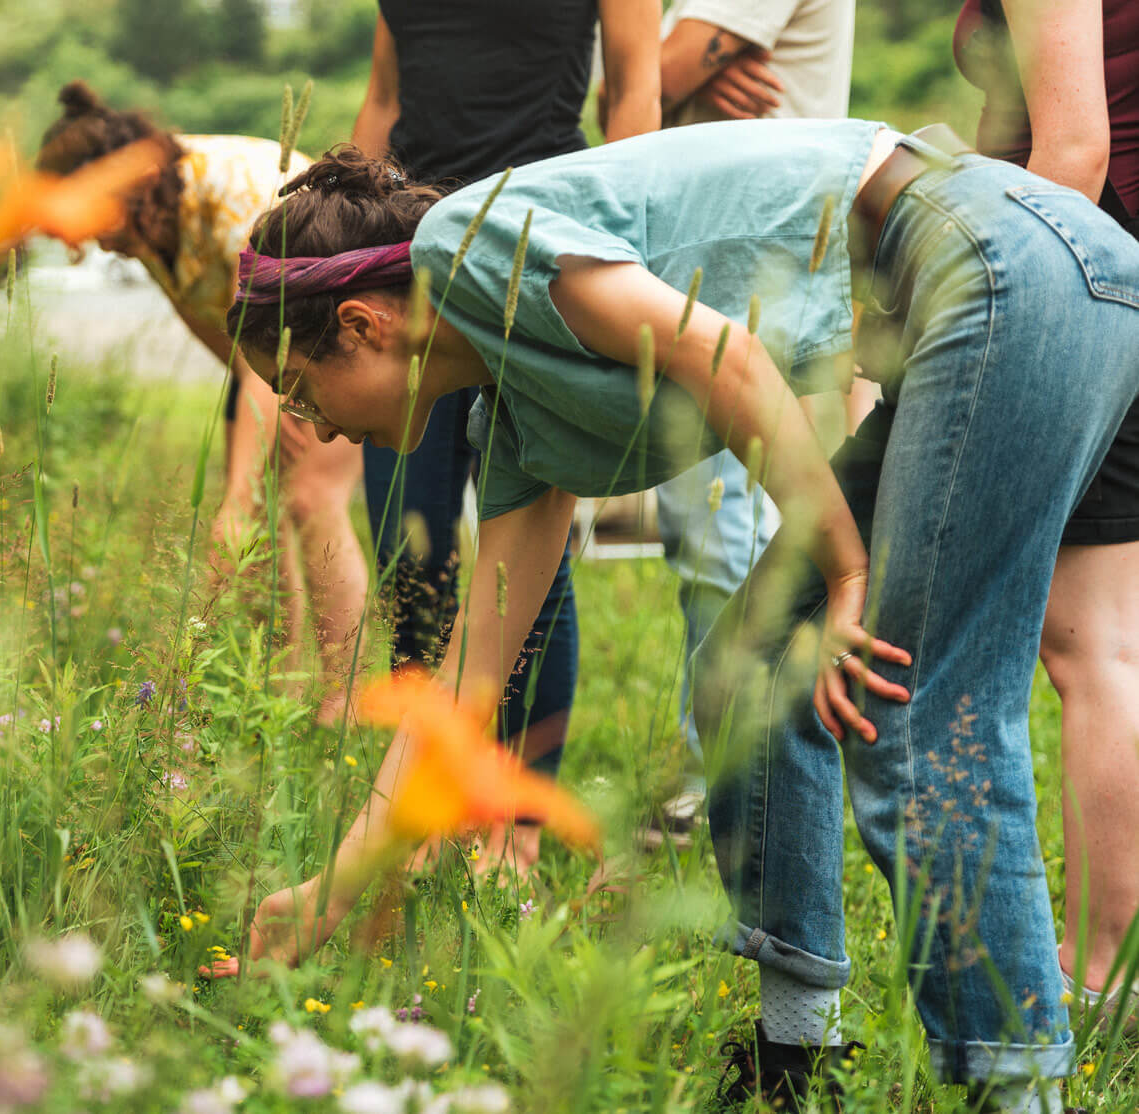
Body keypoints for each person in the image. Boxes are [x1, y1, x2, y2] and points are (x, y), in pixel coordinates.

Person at [227, 123, 1139, 1111]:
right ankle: (796, 1051)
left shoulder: (466, 239)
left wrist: (843, 569)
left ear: (359, 325)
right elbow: (462, 689)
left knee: (911, 704)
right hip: (1035, 273)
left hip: (1007, 262)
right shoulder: (521, 418)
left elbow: (724, 353)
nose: (308, 425)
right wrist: (330, 891)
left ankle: (1020, 1092)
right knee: (745, 668)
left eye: (297, 389)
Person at [348, 0, 660, 874]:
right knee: (406, 531)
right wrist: (336, 247)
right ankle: (423, 792)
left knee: (527, 538)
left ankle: (517, 818)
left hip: (536, 244)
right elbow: (382, 97)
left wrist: (616, 247)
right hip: (407, 255)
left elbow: (634, 89)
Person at [37, 82, 369, 719]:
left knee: (306, 499)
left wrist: (241, 492)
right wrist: (263, 435)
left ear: (141, 180)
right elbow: (219, 334)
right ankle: (274, 694)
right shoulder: (147, 221)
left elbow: (276, 334)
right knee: (252, 528)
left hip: (335, 331)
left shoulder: (234, 195)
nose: (91, 240)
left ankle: (341, 705)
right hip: (270, 358)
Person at [954, 0, 1139, 1028]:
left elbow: (1071, 145)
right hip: (1115, 267)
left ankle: (1101, 968)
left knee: (1090, 646)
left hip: (1087, 270)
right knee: (1108, 641)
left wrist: (982, 306)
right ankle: (1111, 962)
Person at [641, 0, 862, 847]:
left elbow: (648, 77)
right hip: (764, 250)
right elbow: (646, 78)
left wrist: (671, 78)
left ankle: (735, 782)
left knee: (721, 532)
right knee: (727, 530)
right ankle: (744, 770)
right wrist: (676, 74)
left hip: (752, 258)